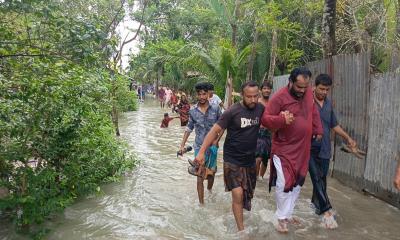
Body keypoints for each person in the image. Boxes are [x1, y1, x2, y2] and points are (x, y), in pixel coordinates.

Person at [195, 81, 264, 231]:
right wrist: (201, 152)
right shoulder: (232, 111)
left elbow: (271, 123)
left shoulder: (260, 109)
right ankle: (241, 231)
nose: (253, 100)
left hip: (250, 160)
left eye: (255, 96)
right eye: (249, 96)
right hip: (232, 159)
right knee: (237, 194)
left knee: (247, 196)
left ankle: (241, 215)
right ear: (241, 95)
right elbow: (214, 131)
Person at [261, 67, 323, 233]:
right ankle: (281, 218)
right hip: (283, 148)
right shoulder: (279, 97)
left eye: (305, 87)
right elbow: (265, 119)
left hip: (303, 147)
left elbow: (313, 111)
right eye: (299, 87)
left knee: (297, 183)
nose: (303, 90)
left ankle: (287, 214)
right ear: (290, 82)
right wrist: (281, 119)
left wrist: (318, 129)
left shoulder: (308, 93)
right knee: (283, 182)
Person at [309, 74, 357, 228]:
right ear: (314, 86)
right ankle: (326, 210)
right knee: (316, 177)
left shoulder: (328, 104)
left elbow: (334, 125)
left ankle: (315, 206)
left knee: (322, 178)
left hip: (324, 147)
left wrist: (348, 138)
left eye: (327, 90)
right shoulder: (306, 101)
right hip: (308, 147)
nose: (324, 92)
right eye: (321, 89)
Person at [179, 82, 222, 204]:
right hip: (198, 147)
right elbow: (189, 128)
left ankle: (209, 191)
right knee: (199, 176)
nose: (202, 97)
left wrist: (217, 140)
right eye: (200, 94)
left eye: (204, 94)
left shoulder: (216, 108)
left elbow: (223, 125)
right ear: (197, 95)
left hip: (212, 147)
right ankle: (201, 204)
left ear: (209, 94)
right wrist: (182, 145)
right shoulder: (193, 111)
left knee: (211, 173)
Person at [255, 81, 273, 180]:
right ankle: (256, 177)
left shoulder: (273, 103)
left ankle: (261, 177)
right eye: (264, 88)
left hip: (269, 133)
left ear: (271, 90)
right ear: (261, 90)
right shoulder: (257, 102)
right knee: (258, 158)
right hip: (257, 132)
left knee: (266, 158)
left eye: (268, 89)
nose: (266, 90)